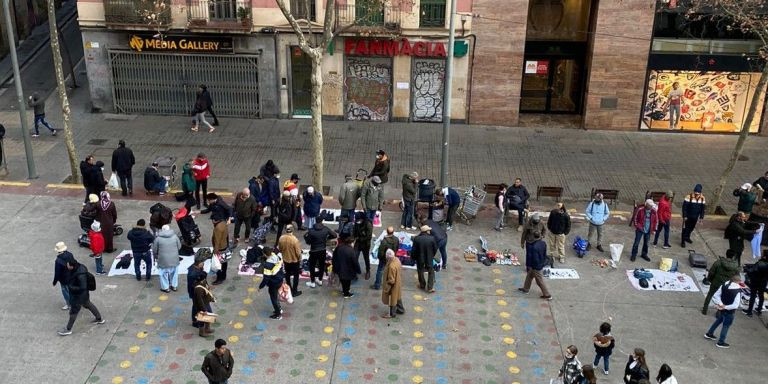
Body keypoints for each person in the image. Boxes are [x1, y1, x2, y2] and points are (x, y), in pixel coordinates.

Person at [58, 258, 106, 335]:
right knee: (88, 304)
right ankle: (99, 318)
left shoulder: (80, 275)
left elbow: (82, 287)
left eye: (68, 266)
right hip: (84, 295)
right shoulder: (80, 268)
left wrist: (71, 287)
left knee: (73, 312)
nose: (67, 267)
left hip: (78, 296)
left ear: (72, 266)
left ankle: (68, 329)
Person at [704, 273, 743, 348]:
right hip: (729, 312)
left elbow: (716, 295)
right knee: (726, 326)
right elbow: (735, 305)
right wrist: (724, 307)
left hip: (721, 308)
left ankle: (709, 333)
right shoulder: (737, 291)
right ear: (738, 281)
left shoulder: (724, 284)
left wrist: (720, 304)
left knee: (718, 321)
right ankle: (721, 342)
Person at [701, 249, 739, 315]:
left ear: (726, 254)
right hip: (726, 285)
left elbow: (711, 272)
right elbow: (736, 276)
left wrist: (710, 280)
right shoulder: (735, 266)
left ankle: (704, 310)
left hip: (716, 282)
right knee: (722, 299)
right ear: (733, 256)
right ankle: (718, 313)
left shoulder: (718, 262)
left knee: (710, 295)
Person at [518, 231, 552, 300]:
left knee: (539, 281)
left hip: (536, 266)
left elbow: (535, 259)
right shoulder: (543, 243)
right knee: (529, 276)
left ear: (533, 237)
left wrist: (531, 266)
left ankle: (547, 295)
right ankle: (526, 289)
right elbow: (544, 254)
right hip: (540, 263)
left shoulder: (534, 246)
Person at [304, 221, 337, 288]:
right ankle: (320, 280)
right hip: (322, 250)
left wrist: (307, 238)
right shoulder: (325, 229)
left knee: (312, 266)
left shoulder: (311, 230)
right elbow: (334, 235)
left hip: (314, 250)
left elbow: (308, 241)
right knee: (322, 265)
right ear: (322, 221)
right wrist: (327, 238)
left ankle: (312, 282)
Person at [153, 224, 181, 293]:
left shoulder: (158, 239)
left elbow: (155, 250)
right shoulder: (175, 237)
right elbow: (179, 247)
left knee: (163, 274)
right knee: (174, 273)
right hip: (174, 259)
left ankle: (166, 288)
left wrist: (156, 256)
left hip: (163, 260)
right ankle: (174, 286)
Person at [258, 247, 284, 319]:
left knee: (273, 298)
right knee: (275, 296)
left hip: (273, 283)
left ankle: (278, 314)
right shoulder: (276, 256)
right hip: (280, 279)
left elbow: (266, 278)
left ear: (265, 254)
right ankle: (279, 309)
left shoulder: (267, 265)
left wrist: (260, 287)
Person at [411, 225, 438, 293]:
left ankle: (422, 284)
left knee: (420, 271)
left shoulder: (417, 239)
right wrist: (432, 255)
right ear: (426, 231)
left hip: (420, 258)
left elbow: (414, 250)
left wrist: (413, 258)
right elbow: (435, 249)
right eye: (429, 230)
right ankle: (430, 287)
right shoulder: (432, 238)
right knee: (431, 271)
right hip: (429, 257)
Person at [278, 224, 302, 297]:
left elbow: (280, 249)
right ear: (293, 230)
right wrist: (300, 258)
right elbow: (298, 252)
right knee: (296, 275)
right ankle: (294, 291)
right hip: (294, 261)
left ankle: (289, 289)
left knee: (287, 274)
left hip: (285, 259)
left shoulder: (281, 238)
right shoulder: (294, 240)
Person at [743, 250, 768, 317]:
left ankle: (749, 311)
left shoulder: (760, 263)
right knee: (761, 295)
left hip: (756, 282)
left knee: (753, 296)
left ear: (765, 256)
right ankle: (759, 310)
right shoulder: (762, 263)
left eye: (762, 254)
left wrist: (746, 268)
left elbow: (751, 271)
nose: (761, 254)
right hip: (763, 282)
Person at [381, 249, 405, 318]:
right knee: (397, 296)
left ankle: (392, 314)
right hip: (398, 282)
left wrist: (387, 288)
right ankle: (401, 309)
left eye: (386, 256)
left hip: (393, 285)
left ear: (388, 256)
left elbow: (391, 280)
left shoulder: (391, 266)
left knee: (392, 299)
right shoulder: (397, 260)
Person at [681, 184, 706, 248]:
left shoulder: (702, 198)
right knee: (685, 229)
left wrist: (701, 217)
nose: (696, 194)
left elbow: (702, 209)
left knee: (691, 228)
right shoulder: (688, 197)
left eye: (698, 193)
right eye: (695, 192)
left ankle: (687, 237)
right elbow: (684, 207)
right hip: (687, 217)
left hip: (695, 217)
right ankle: (683, 241)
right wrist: (685, 216)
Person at [53, 242, 75, 310]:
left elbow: (57, 272)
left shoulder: (58, 260)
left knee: (65, 291)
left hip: (64, 279)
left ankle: (69, 305)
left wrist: (55, 281)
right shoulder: (70, 255)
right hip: (72, 276)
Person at [187, 253, 207, 327]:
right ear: (199, 263)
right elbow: (201, 277)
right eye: (202, 263)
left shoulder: (196, 268)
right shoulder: (193, 273)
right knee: (196, 307)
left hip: (197, 291)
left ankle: (196, 320)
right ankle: (195, 321)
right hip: (195, 292)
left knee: (196, 306)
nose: (203, 264)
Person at [354, 213, 374, 280]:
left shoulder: (368, 224)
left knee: (366, 258)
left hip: (365, 244)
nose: (357, 221)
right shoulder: (357, 223)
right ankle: (355, 271)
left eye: (359, 220)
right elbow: (354, 230)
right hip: (358, 242)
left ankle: (368, 271)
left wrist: (359, 238)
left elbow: (369, 236)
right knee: (355, 257)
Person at [211, 217, 230, 286]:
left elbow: (217, 241)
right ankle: (223, 276)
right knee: (224, 263)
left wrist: (215, 251)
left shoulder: (217, 228)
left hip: (219, 249)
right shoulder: (224, 223)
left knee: (218, 265)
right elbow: (227, 235)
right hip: (224, 246)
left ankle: (219, 279)